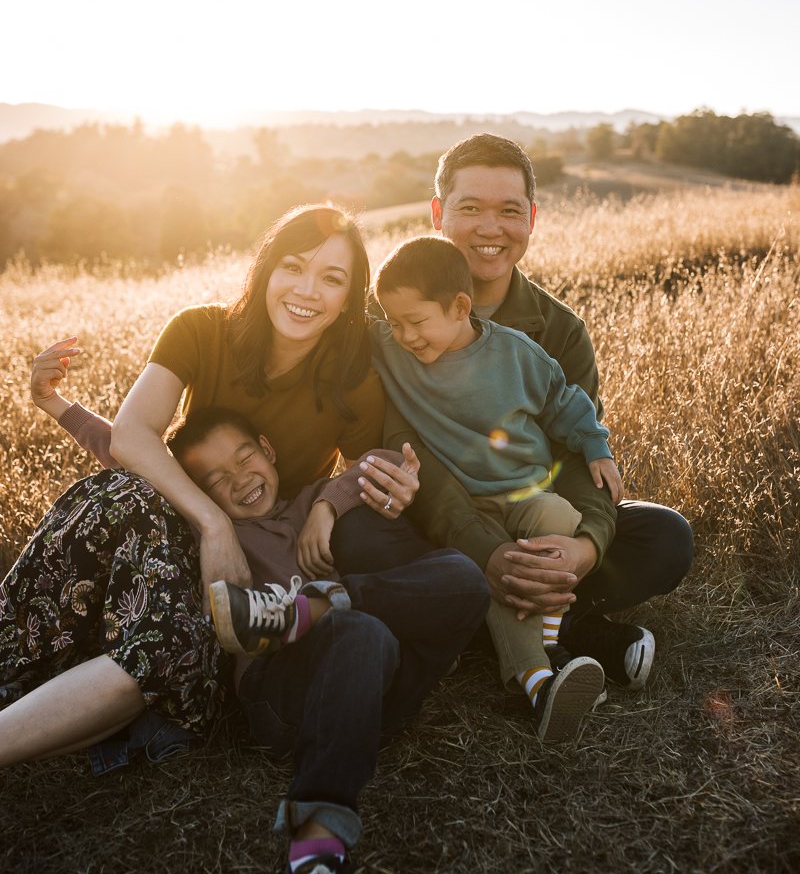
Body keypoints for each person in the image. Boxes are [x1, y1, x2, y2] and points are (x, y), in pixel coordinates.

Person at [0, 206, 426, 772]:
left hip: (249, 568)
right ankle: (13, 654)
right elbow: (132, 437)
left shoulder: (351, 377)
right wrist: (213, 524)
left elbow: (366, 468)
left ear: (351, 296)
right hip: (180, 522)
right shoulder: (202, 329)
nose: (307, 290)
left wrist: (328, 502)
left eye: (332, 278)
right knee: (120, 496)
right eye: (292, 267)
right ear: (266, 269)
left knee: (162, 645)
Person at [42, 402, 489, 874]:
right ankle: (319, 831)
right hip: (283, 695)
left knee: (465, 578)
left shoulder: (313, 504)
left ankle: (312, 608)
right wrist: (58, 406)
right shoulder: (211, 533)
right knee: (361, 631)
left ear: (269, 451)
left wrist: (326, 506)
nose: (238, 480)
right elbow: (129, 453)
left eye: (245, 457)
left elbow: (390, 462)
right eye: (214, 480)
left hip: (380, 689)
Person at [381, 134, 694, 690]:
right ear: (438, 213)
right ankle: (567, 630)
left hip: (529, 513)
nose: (490, 228)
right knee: (367, 539)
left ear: (532, 218)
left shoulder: (558, 332)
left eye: (509, 210)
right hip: (437, 521)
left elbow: (579, 451)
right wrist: (485, 550)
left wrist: (584, 548)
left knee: (665, 538)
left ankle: (488, 618)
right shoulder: (392, 318)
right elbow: (403, 447)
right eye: (470, 207)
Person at [372, 234, 614, 739]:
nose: (406, 336)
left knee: (560, 522)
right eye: (393, 322)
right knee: (496, 566)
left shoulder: (517, 354)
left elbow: (565, 403)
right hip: (469, 507)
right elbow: (351, 330)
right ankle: (540, 683)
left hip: (527, 496)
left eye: (416, 322)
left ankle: (548, 642)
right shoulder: (393, 350)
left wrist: (597, 448)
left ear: (461, 307)